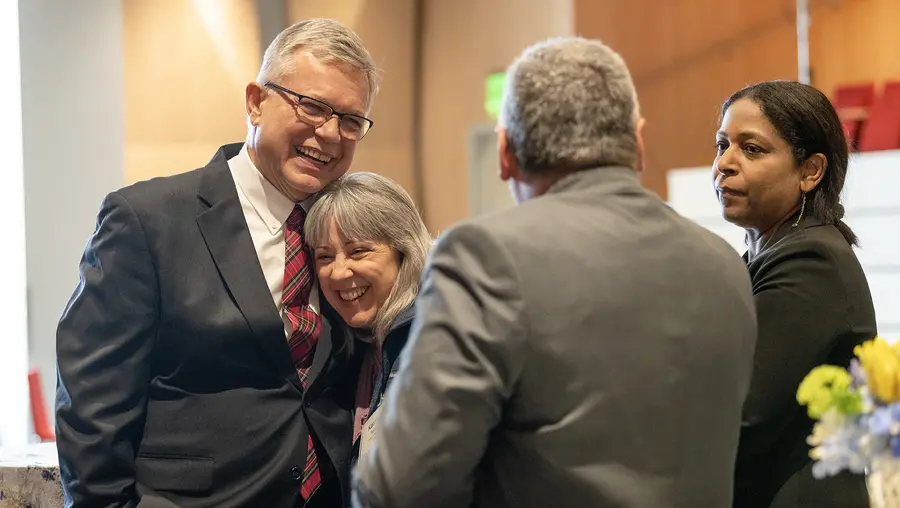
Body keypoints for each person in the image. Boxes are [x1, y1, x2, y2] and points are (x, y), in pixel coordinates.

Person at [351, 36, 758, 508]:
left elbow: (398, 489)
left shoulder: (484, 256)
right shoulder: (724, 265)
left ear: (504, 153)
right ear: (638, 144)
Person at [55, 18, 378, 508]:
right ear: (255, 100)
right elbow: (91, 412)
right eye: (312, 107)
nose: (330, 134)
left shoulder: (353, 234)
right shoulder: (147, 220)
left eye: (351, 120)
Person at [714, 80, 878, 508]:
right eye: (721, 145)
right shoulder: (766, 254)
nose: (725, 164)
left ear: (810, 171)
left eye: (751, 149)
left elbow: (742, 416)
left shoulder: (811, 261)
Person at [303, 172, 432, 465]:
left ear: (404, 251)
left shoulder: (437, 339)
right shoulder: (360, 344)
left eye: (358, 251)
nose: (338, 272)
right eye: (324, 257)